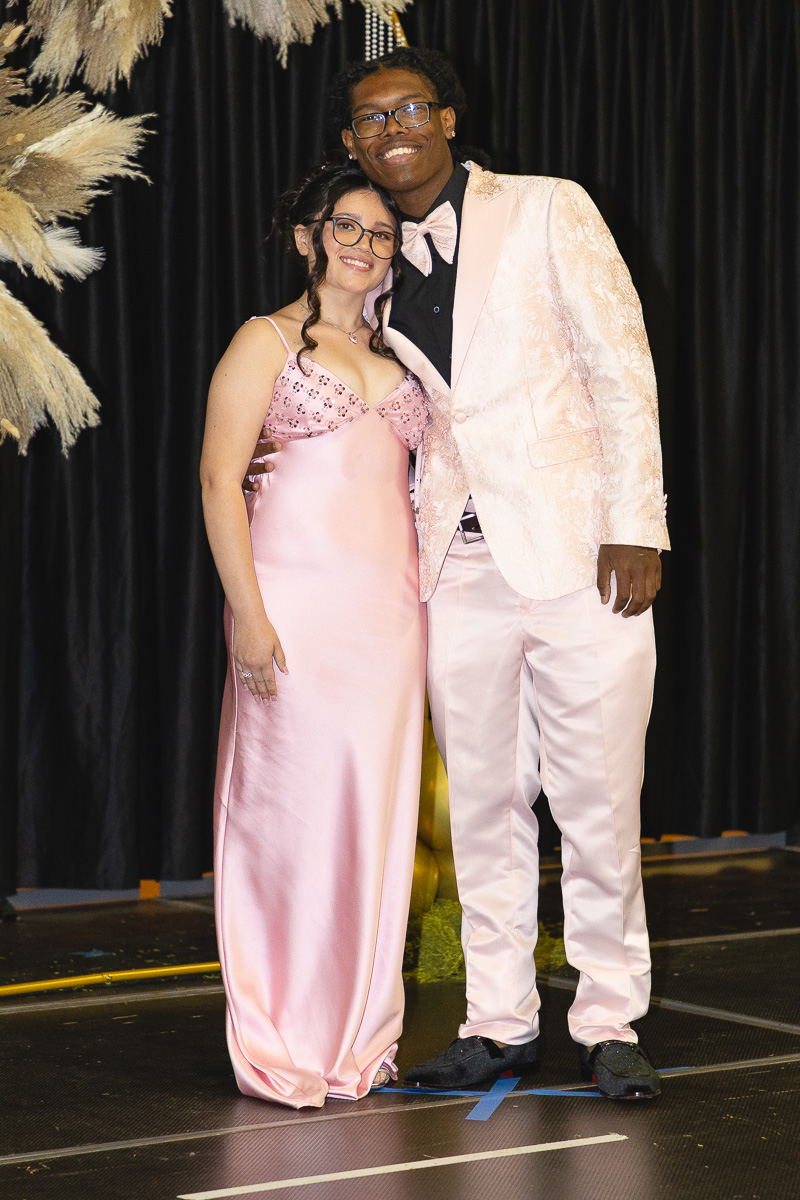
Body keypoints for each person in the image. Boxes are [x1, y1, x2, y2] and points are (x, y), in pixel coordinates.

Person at [249, 47, 670, 1101]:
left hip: (581, 559)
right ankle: (496, 1021)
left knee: (596, 803)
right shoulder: (369, 262)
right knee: (483, 803)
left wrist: (636, 525)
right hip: (455, 567)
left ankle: (610, 1018)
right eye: (366, 119)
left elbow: (620, 365)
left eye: (407, 110)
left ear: (445, 116)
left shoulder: (545, 209)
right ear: (349, 143)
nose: (390, 130)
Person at [200, 160, 428, 1109]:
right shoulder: (265, 341)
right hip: (293, 613)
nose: (365, 245)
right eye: (348, 226)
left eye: (381, 233)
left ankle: (360, 1037)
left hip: (392, 622)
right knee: (288, 827)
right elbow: (220, 482)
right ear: (308, 237)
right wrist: (248, 616)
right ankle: (281, 1033)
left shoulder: (410, 356)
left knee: (376, 825)